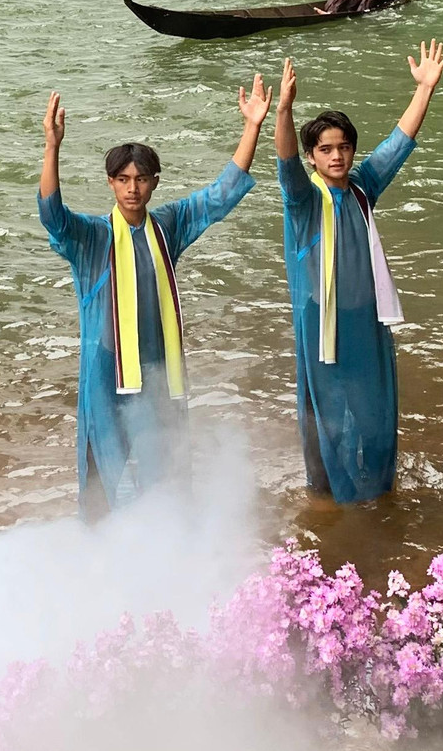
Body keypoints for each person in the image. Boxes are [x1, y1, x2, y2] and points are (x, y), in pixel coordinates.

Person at [38, 79, 271, 513]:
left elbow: (219, 196)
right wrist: (52, 147)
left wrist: (252, 127)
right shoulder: (92, 237)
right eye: (123, 180)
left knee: (163, 473)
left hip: (159, 372)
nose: (132, 189)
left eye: (141, 179)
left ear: (154, 183)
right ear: (110, 183)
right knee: (100, 478)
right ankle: (98, 558)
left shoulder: (169, 225)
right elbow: (53, 216)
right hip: (106, 375)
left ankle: (164, 550)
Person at [275, 40, 443, 503]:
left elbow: (399, 144)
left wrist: (425, 90)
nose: (337, 156)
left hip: (365, 321)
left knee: (374, 412)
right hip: (320, 324)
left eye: (345, 147)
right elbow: (286, 164)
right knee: (325, 414)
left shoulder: (363, 188)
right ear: (314, 155)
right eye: (326, 149)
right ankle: (329, 496)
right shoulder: (304, 201)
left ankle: (377, 494)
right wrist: (284, 112)